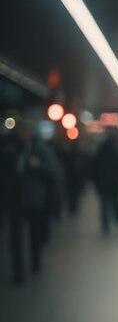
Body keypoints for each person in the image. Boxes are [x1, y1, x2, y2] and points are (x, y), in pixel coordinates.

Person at [6, 121, 63, 285]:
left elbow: (54, 170)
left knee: (34, 233)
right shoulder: (11, 150)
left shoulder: (40, 149)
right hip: (15, 199)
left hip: (35, 199)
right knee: (15, 237)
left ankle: (36, 261)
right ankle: (18, 272)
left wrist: (38, 166)